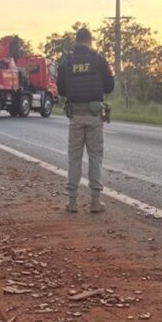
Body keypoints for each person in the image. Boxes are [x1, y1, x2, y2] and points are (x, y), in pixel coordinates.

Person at [56, 27, 114, 213]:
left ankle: (72, 202)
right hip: (94, 115)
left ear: (76, 41)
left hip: (75, 115)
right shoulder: (98, 60)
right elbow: (109, 86)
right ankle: (95, 202)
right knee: (95, 157)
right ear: (90, 41)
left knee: (74, 157)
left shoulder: (67, 61)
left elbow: (61, 89)